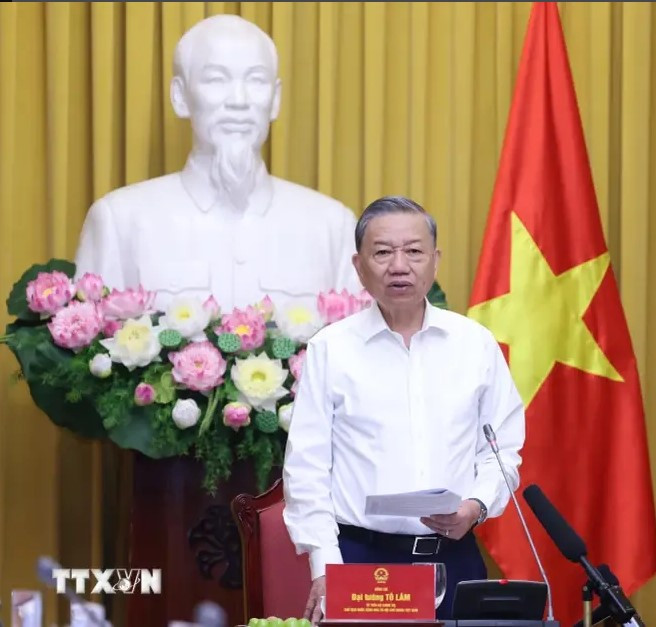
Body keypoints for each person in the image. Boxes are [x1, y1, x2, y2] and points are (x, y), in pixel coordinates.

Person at [282, 196, 526, 622]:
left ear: (435, 261)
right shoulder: (331, 349)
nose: (399, 265)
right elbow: (306, 468)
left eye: (414, 251)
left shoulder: (475, 345)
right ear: (359, 266)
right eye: (382, 252)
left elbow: (502, 450)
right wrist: (324, 565)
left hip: (455, 559)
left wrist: (476, 506)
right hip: (363, 562)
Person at [74, 15, 361, 312]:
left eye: (256, 80)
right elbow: (85, 353)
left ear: (275, 99)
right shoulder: (120, 221)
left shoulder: (331, 226)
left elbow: (362, 351)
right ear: (180, 96)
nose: (238, 100)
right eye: (216, 79)